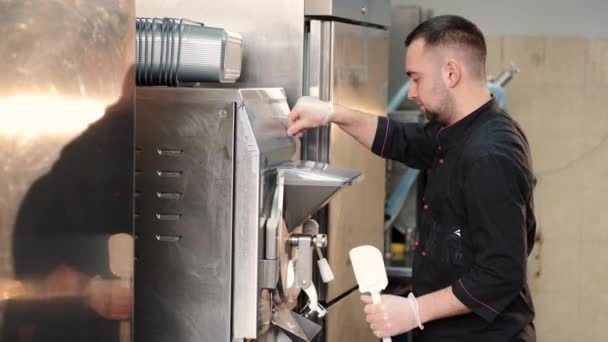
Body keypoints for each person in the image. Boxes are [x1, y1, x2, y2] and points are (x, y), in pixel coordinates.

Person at [287, 15, 536, 342]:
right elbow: (402, 140)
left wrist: (415, 311)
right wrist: (332, 113)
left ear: (451, 72)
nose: (413, 92)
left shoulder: (490, 154)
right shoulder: (459, 131)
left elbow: (501, 273)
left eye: (416, 79)